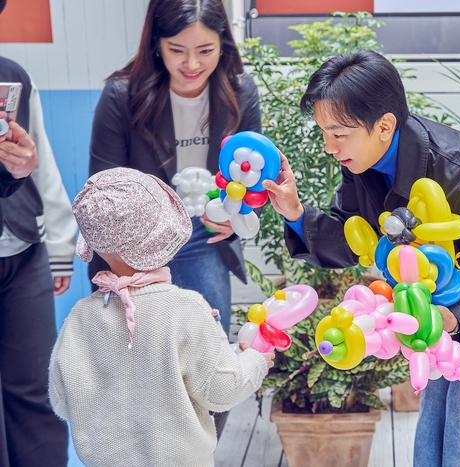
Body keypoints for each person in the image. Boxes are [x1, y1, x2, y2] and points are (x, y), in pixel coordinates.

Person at [263, 50, 460, 467]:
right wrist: (296, 213)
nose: (329, 147)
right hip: (443, 298)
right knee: (432, 439)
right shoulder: (362, 159)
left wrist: (450, 319)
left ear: (385, 125)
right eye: (323, 132)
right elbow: (354, 235)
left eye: (338, 134)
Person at [89, 0, 262, 434]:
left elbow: (254, 177)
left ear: (223, 44)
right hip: (138, 249)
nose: (191, 63)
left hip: (205, 238)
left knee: (211, 365)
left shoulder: (240, 91)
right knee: (143, 369)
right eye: (176, 49)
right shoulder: (121, 96)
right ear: (155, 44)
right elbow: (103, 190)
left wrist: (236, 213)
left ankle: (203, 454)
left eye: (205, 50)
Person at [49, 167, 274, 467]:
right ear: (164, 237)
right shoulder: (185, 309)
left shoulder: (79, 318)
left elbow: (63, 401)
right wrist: (255, 361)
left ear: (96, 243)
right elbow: (221, 391)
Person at [0, 0, 76, 462]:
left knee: (37, 392)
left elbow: (41, 162)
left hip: (23, 248)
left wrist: (60, 246)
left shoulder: (13, 76)